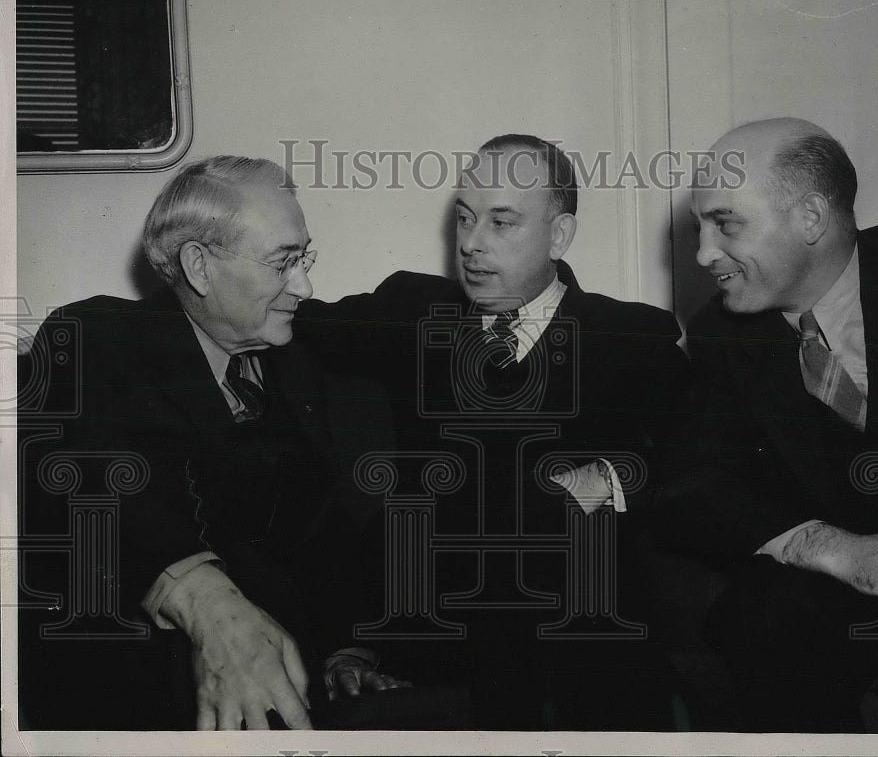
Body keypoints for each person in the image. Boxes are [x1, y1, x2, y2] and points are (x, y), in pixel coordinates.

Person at [295, 134, 691, 729]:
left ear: (559, 236)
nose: (472, 245)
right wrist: (358, 643)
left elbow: (697, 465)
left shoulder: (632, 340)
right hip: (439, 624)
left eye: (502, 223)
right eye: (465, 219)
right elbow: (284, 319)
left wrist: (603, 478)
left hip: (579, 627)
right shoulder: (411, 310)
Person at [18, 156, 405, 730]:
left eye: (305, 259)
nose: (305, 285)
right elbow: (107, 471)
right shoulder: (100, 337)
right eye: (283, 263)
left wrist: (350, 651)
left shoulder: (295, 366)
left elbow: (331, 539)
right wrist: (204, 600)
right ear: (199, 266)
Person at [631, 117, 878, 732]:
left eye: (726, 223)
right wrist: (839, 549)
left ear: (811, 218)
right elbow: (690, 485)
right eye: (699, 228)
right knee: (763, 615)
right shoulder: (722, 333)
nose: (704, 254)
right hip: (857, 595)